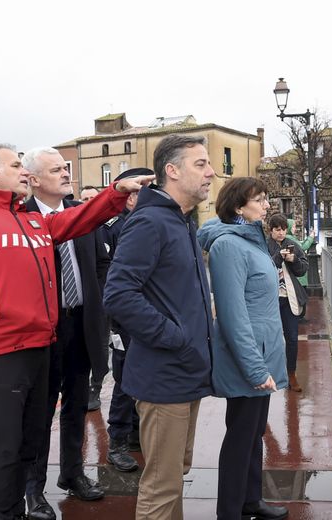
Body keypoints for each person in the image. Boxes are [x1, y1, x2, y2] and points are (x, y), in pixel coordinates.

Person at [0, 143, 153, 520]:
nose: (23, 172)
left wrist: (116, 193)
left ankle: (20, 509)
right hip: (2, 351)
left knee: (28, 444)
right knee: (4, 450)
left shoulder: (33, 221)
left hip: (41, 346)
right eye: (16, 165)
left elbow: (80, 221)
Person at [104, 134, 214, 520]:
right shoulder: (150, 222)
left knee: (174, 475)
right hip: (164, 374)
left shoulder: (180, 222)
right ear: (172, 170)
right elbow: (117, 295)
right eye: (200, 164)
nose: (211, 172)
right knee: (161, 486)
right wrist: (176, 338)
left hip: (184, 373)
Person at [22, 148, 112, 519]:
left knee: (77, 406)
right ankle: (33, 491)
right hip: (44, 328)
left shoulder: (79, 215)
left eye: (66, 168)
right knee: (39, 414)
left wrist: (101, 304)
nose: (65, 174)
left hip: (81, 324)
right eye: (56, 169)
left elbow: (102, 262)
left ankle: (72, 474)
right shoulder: (20, 220)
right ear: (34, 180)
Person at [197, 177, 290, 520]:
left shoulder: (252, 241)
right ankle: (230, 512)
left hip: (261, 352)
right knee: (240, 437)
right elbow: (233, 315)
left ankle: (251, 500)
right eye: (260, 199)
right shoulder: (228, 247)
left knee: (253, 433)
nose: (267, 205)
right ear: (238, 207)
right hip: (248, 359)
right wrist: (254, 368)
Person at [101, 168, 153, 473]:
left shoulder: (148, 223)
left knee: (142, 376)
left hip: (147, 314)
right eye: (137, 191)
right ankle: (117, 442)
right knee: (124, 380)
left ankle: (134, 434)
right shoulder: (113, 228)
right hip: (123, 318)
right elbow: (111, 280)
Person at [267, 213, 308, 393]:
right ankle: (266, 374)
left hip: (289, 299)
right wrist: (279, 257)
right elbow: (265, 268)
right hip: (269, 300)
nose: (281, 233)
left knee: (292, 339)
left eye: (284, 229)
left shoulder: (292, 244)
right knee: (269, 339)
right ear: (271, 231)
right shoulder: (264, 246)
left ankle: (291, 374)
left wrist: (294, 260)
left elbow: (303, 269)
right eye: (277, 230)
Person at [77, 184, 108, 412]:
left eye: (92, 198)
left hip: (101, 296)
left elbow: (103, 262)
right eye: (84, 198)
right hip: (77, 300)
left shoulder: (103, 224)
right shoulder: (74, 223)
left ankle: (95, 385)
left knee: (99, 344)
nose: (87, 202)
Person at [286, 218, 315, 287]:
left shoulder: (290, 237)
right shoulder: (289, 238)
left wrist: (308, 238)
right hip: (298, 274)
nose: (295, 229)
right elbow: (302, 247)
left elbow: (300, 244)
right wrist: (311, 238)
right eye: (293, 227)